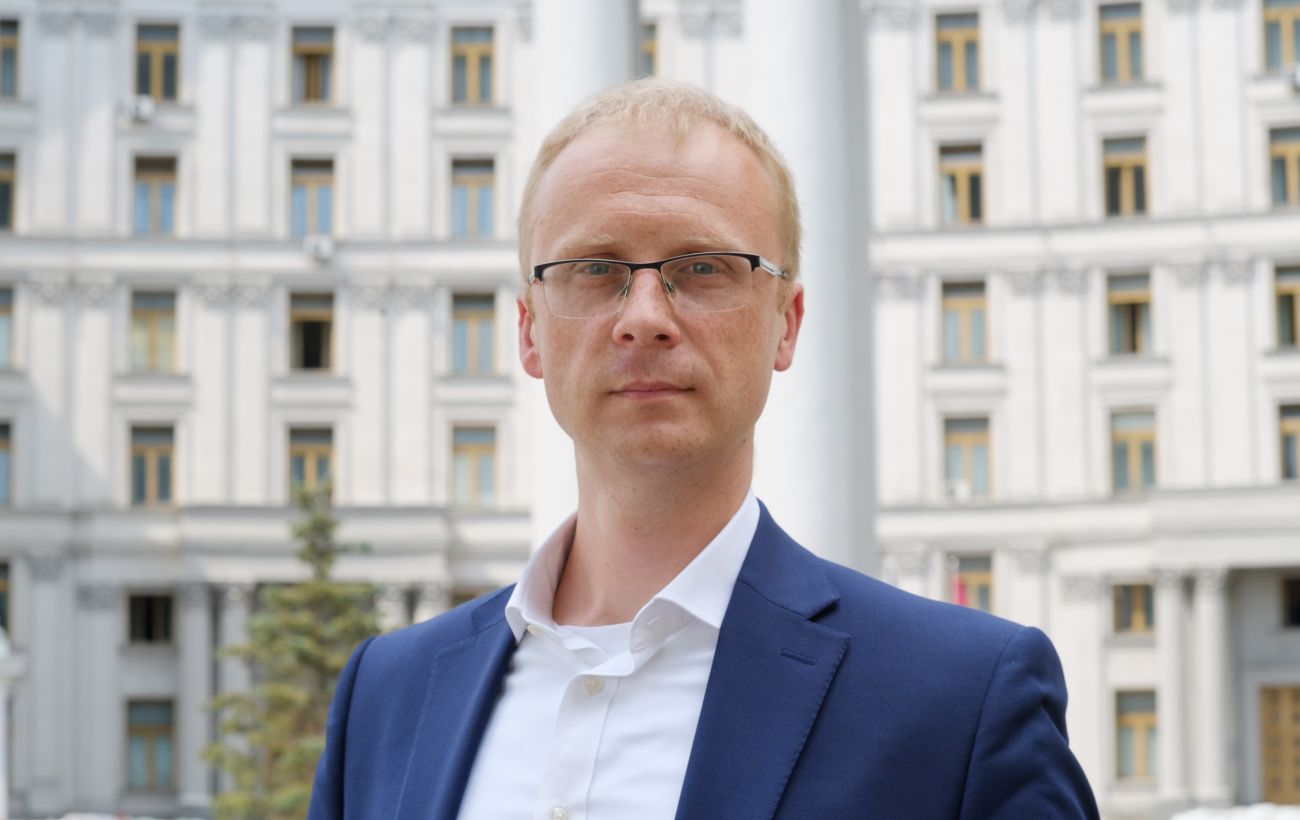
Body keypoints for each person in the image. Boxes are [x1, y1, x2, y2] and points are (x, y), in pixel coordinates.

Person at [308, 79, 1099, 820]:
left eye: (702, 268)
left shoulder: (961, 700)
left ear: (786, 324)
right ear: (528, 331)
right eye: (594, 269)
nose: (644, 318)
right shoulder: (387, 695)